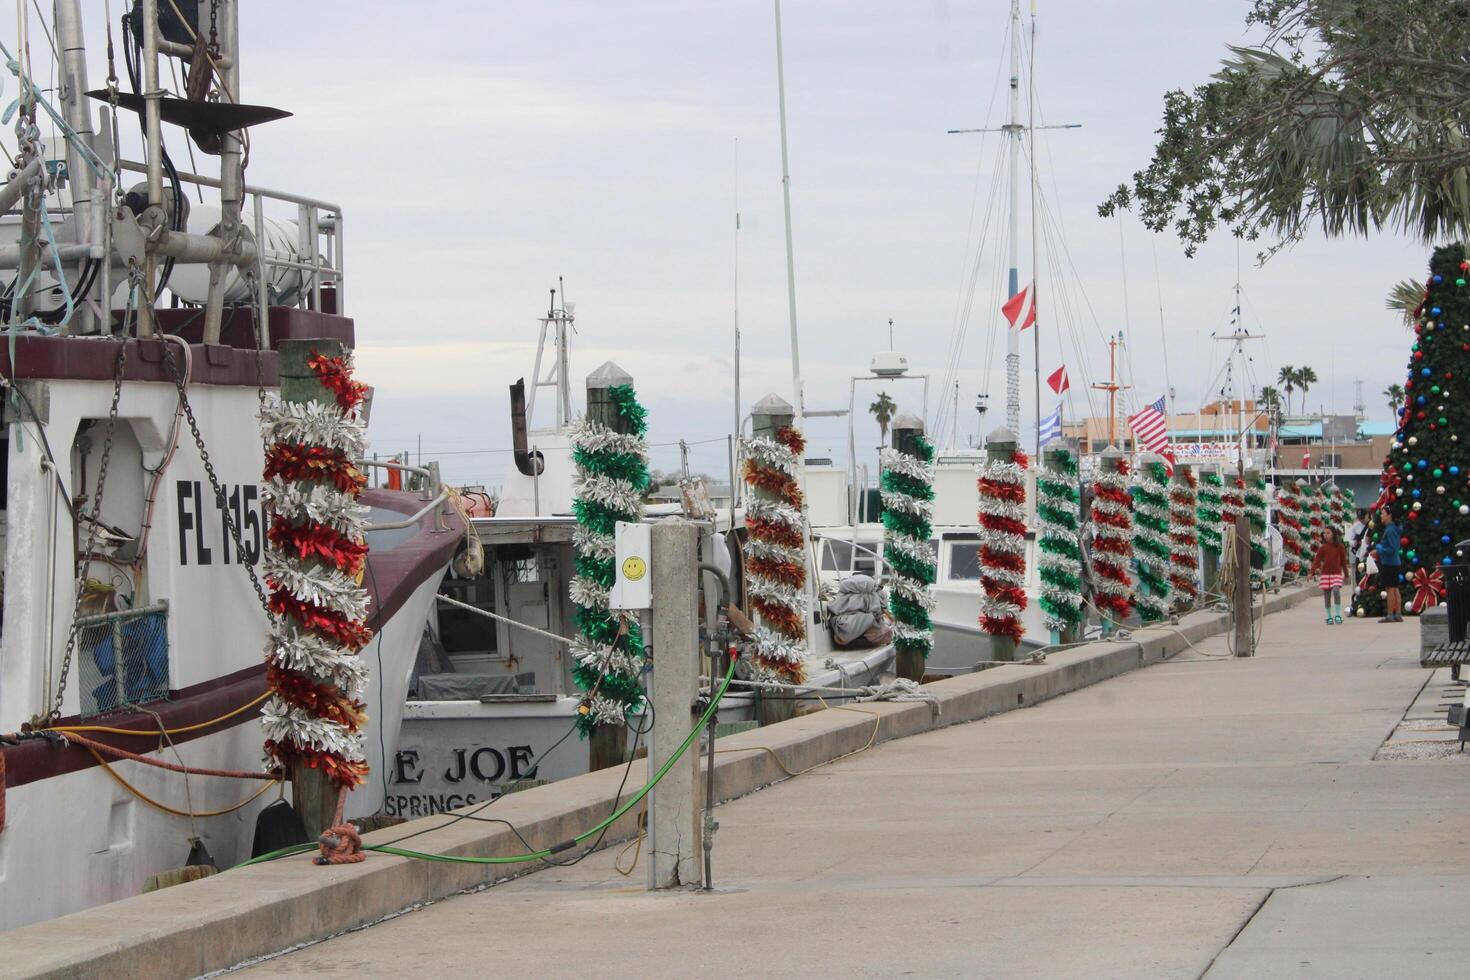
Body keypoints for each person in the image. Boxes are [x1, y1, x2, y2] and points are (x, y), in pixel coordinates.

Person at [1309, 525, 1349, 625]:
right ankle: (1329, 616)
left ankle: (1338, 615)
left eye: (1328, 533)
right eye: (1324, 533)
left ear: (1333, 534)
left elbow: (1344, 562)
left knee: (1336, 590)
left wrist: (1346, 574)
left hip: (1336, 574)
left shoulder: (1340, 547)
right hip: (1326, 574)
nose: (1326, 535)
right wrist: (1311, 572)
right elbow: (1317, 561)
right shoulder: (1323, 548)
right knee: (1327, 595)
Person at [1374, 509, 1404, 623]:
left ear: (1389, 516)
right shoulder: (1394, 529)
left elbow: (1392, 548)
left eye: (1383, 514)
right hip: (1395, 562)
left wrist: (1380, 549)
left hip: (1389, 563)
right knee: (1395, 588)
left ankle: (1390, 614)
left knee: (1390, 588)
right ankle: (1398, 614)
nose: (1381, 516)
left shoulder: (1390, 530)